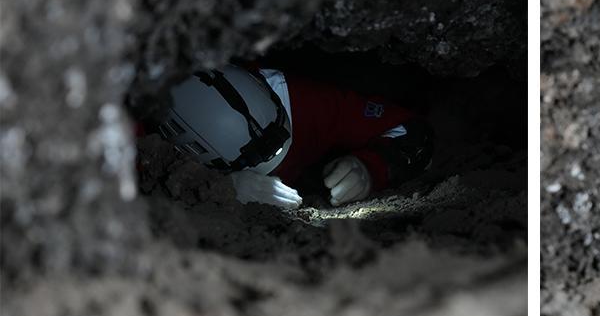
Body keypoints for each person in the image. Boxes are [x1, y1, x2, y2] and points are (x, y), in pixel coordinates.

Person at [150, 64, 432, 210]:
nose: (273, 151)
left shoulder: (305, 101)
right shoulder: (144, 131)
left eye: (278, 130)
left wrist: (371, 167)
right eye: (254, 157)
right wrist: (221, 186)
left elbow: (414, 132)